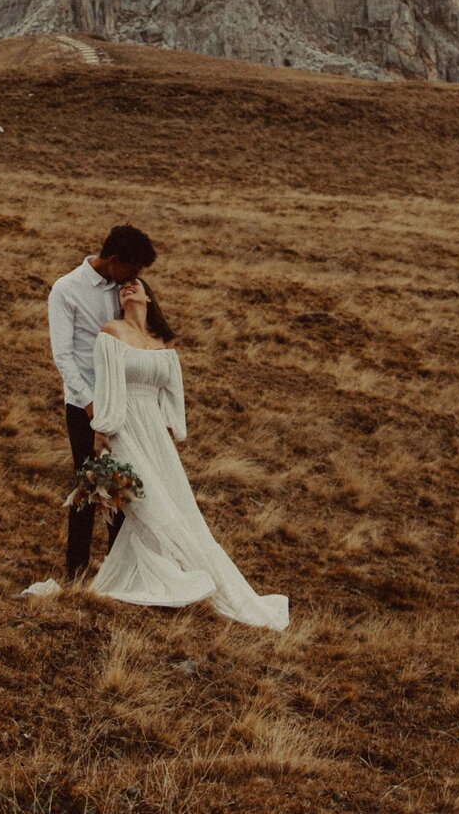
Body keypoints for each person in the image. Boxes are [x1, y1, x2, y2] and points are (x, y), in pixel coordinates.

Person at [84, 277, 288, 630]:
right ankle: (177, 577)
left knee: (175, 504)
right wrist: (101, 430)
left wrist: (170, 429)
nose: (127, 288)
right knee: (149, 505)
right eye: (122, 287)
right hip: (125, 429)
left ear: (149, 296)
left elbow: (171, 397)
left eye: (135, 285)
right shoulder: (111, 331)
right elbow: (107, 385)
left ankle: (170, 575)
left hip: (156, 435)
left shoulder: (163, 343)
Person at [47, 224, 157, 580]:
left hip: (125, 403)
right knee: (87, 487)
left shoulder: (128, 288)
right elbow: (64, 357)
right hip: (84, 406)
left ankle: (118, 572)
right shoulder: (66, 290)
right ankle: (75, 572)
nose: (136, 278)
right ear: (113, 260)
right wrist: (90, 403)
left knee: (123, 487)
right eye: (132, 269)